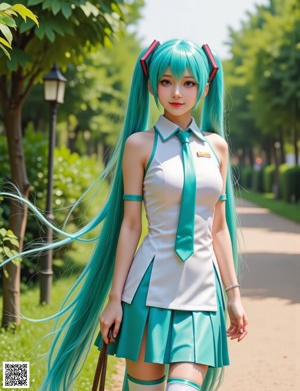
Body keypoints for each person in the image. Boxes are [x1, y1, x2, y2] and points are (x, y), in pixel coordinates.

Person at [0, 39, 248, 391]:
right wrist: (114, 299)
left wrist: (233, 295)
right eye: (166, 81)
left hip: (202, 294)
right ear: (151, 85)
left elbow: (219, 229)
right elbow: (131, 225)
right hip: (148, 290)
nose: (177, 92)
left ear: (206, 87)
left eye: (189, 82)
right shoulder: (139, 145)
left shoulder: (216, 148)